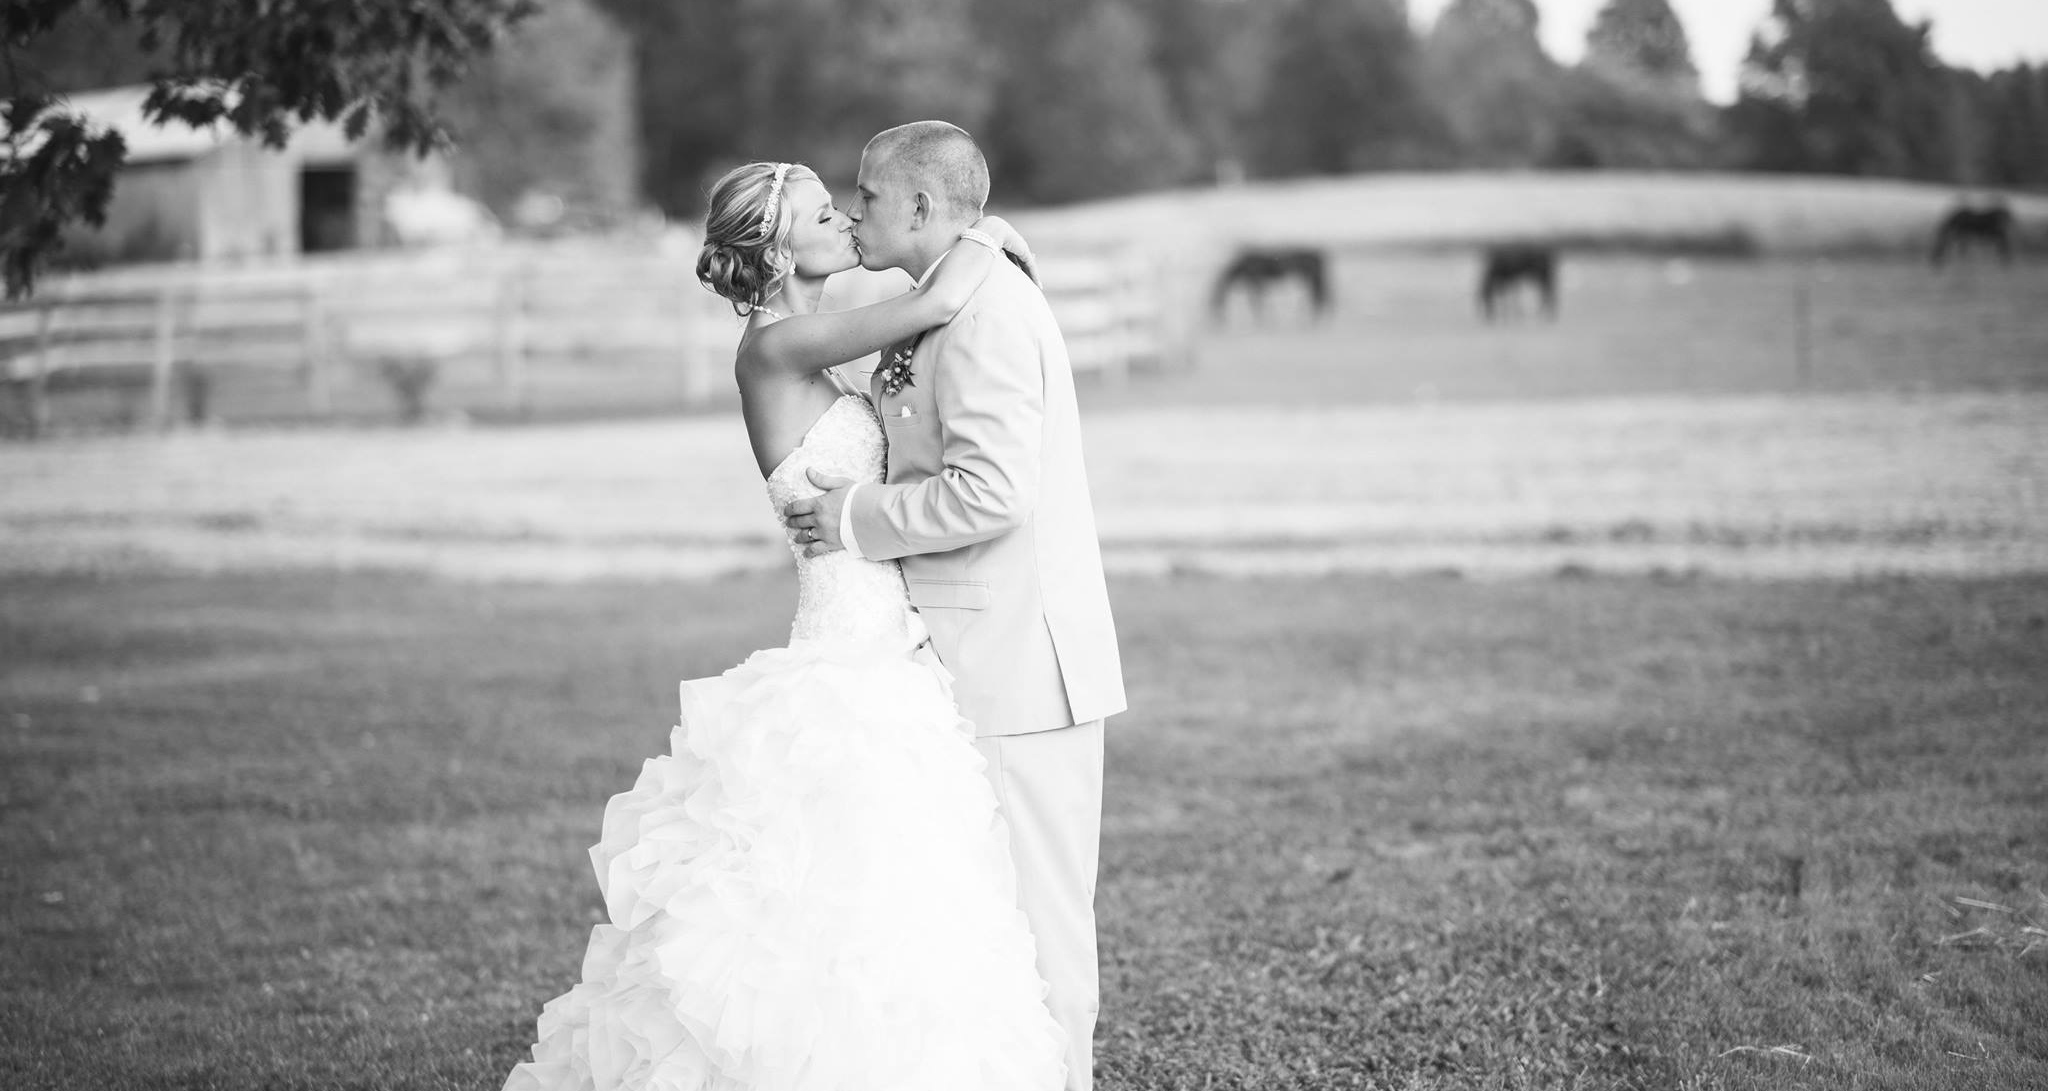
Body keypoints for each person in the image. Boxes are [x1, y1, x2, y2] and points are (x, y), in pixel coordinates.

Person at [499, 159, 1066, 1091]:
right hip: (848, 650)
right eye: (822, 215)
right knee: (833, 890)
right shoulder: (774, 346)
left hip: (889, 638)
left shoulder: (812, 347)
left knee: (893, 893)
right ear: (774, 248)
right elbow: (934, 304)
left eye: (845, 209)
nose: (846, 222)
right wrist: (987, 232)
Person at [781, 120, 1126, 1091]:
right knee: (977, 925)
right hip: (969, 659)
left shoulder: (983, 315)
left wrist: (850, 514)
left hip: (1020, 665)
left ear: (924, 208)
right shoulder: (945, 301)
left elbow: (991, 491)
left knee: (1038, 928)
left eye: (870, 196)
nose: (856, 211)